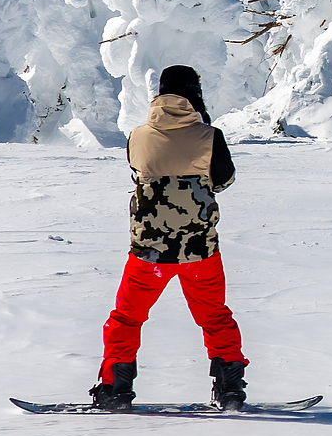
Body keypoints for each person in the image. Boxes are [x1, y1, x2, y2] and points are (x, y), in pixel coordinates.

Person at [91, 64, 250, 410]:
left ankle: (115, 388)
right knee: (215, 317)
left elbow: (137, 171)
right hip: (200, 253)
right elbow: (223, 182)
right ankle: (230, 389)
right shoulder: (211, 137)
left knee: (127, 317)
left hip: (148, 253)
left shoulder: (137, 136)